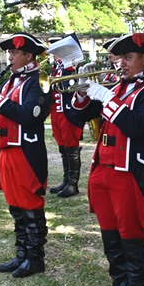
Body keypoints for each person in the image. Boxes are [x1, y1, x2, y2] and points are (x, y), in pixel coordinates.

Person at [70, 33, 144, 286]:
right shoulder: (118, 86)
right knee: (110, 236)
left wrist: (107, 98)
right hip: (103, 168)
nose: (121, 63)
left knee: (132, 237)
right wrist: (82, 93)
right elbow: (81, 115)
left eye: (128, 58)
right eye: (120, 57)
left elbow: (137, 126)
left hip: (128, 173)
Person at [0, 32, 51, 278]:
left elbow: (29, 115)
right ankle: (22, 253)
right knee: (15, 206)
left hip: (25, 151)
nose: (10, 57)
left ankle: (35, 258)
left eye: (14, 52)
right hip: (6, 148)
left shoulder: (39, 80)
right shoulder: (10, 81)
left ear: (28, 55)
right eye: (9, 52)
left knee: (30, 204)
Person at [48, 34, 86, 198]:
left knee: (71, 146)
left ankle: (73, 184)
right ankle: (66, 180)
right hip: (57, 111)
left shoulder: (71, 66)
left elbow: (70, 88)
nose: (54, 54)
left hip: (69, 112)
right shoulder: (57, 67)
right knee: (63, 146)